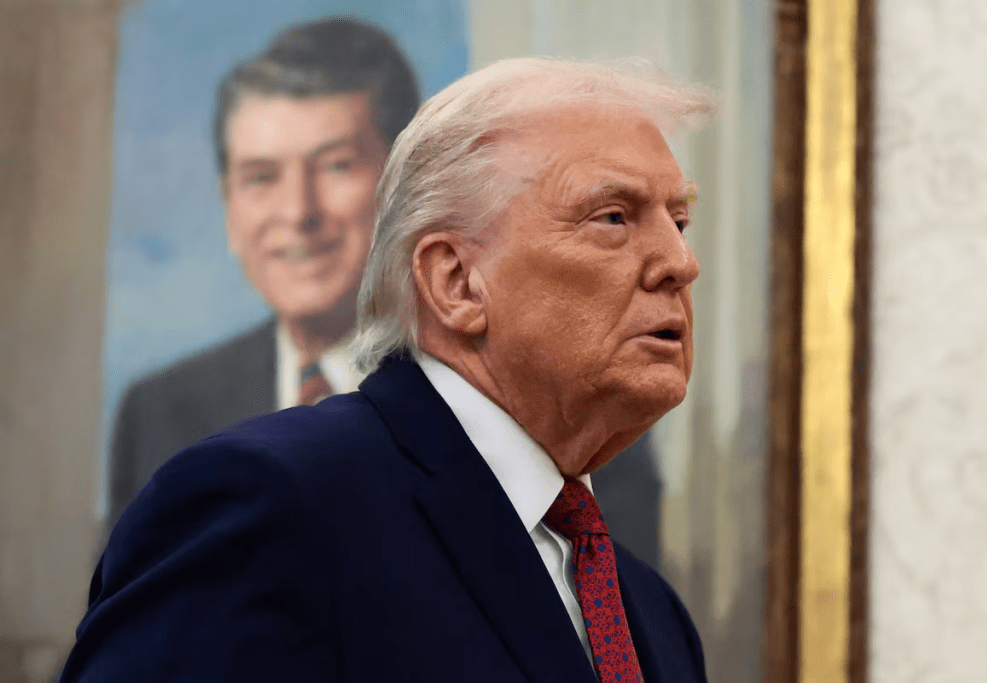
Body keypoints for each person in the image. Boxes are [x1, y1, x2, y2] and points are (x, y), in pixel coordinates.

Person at [64, 57, 712, 682]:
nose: (679, 262)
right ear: (456, 282)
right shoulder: (269, 504)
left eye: (678, 220)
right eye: (613, 217)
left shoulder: (650, 613)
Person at [107, 17, 666, 568]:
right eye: (261, 177)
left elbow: (609, 644)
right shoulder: (158, 410)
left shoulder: (568, 405)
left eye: (336, 166)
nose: (298, 212)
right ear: (229, 208)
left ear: (411, 192)